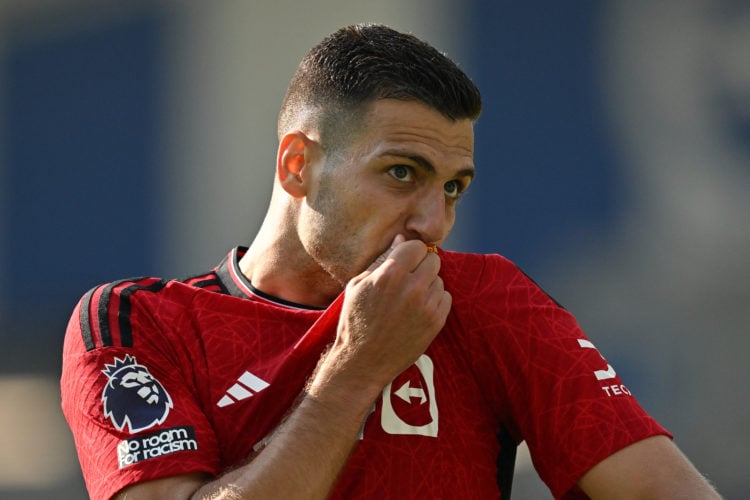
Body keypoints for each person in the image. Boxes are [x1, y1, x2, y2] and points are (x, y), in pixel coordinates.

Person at [61, 24, 721, 499]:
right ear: (298, 165)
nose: (433, 223)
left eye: (454, 187)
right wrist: (356, 370)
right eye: (402, 173)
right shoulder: (137, 323)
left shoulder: (485, 299)